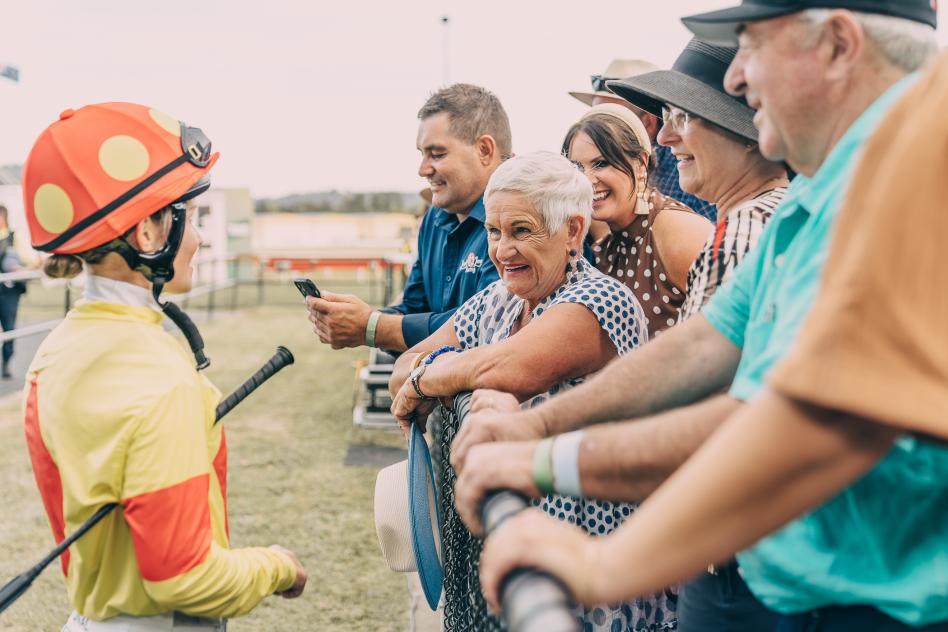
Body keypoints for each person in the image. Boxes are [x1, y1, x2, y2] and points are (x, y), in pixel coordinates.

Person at [452, 3, 944, 630]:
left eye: (752, 45)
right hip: (818, 584)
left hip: (890, 604)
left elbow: (820, 424)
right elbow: (704, 344)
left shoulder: (920, 164)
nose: (735, 78)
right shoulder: (831, 185)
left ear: (839, 44)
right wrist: (534, 428)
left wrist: (598, 555)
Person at [21, 102, 306, 631]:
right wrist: (277, 566)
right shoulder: (160, 378)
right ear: (148, 234)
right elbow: (185, 576)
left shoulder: (53, 353)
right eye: (190, 218)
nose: (198, 239)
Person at [389, 151, 664, 631]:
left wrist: (432, 378)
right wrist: (442, 374)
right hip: (509, 550)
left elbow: (512, 369)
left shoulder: (600, 299)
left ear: (573, 231)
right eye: (494, 232)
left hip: (591, 561)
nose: (502, 250)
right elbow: (403, 370)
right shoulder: (498, 299)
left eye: (521, 231)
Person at [306, 84, 505, 353]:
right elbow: (414, 308)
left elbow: (486, 326)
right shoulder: (435, 218)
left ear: (484, 150)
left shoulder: (526, 213)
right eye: (422, 154)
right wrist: (353, 318)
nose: (422, 169)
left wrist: (372, 326)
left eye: (437, 154)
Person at [607, 40, 790, 323]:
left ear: (748, 134)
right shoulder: (784, 213)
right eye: (666, 115)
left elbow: (704, 363)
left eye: (682, 116)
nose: (663, 136)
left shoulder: (739, 235)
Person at [564, 104, 711, 338]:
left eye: (601, 163)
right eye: (577, 167)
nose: (587, 180)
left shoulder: (676, 230)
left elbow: (734, 329)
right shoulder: (605, 245)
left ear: (641, 163)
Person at [570, 59, 718, 220]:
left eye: (610, 121)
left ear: (647, 122)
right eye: (594, 118)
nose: (596, 130)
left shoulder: (687, 169)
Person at [0, 204, 38, 378]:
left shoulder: (15, 237)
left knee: (9, 327)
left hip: (8, 292)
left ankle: (6, 361)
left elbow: (33, 261)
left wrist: (20, 270)